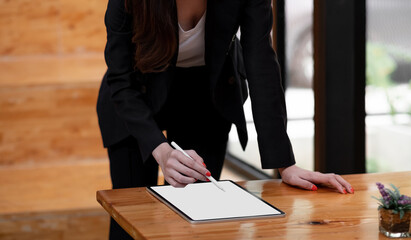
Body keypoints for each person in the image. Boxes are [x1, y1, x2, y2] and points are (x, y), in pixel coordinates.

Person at [97, 0, 353, 239]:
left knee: (198, 218)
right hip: (135, 97)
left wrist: (285, 164)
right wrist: (161, 150)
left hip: (207, 96)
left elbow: (260, 59)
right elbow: (120, 79)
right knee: (130, 217)